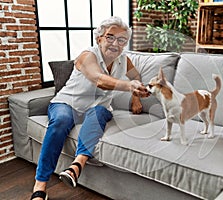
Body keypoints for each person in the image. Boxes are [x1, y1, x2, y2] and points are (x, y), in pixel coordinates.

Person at [30, 16, 149, 200]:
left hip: (96, 107)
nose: (115, 43)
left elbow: (136, 75)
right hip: (67, 103)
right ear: (99, 38)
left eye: (121, 39)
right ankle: (40, 187)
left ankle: (76, 166)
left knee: (101, 112)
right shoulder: (87, 55)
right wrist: (129, 86)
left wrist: (135, 98)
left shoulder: (124, 60)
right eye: (110, 37)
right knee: (61, 121)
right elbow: (99, 80)